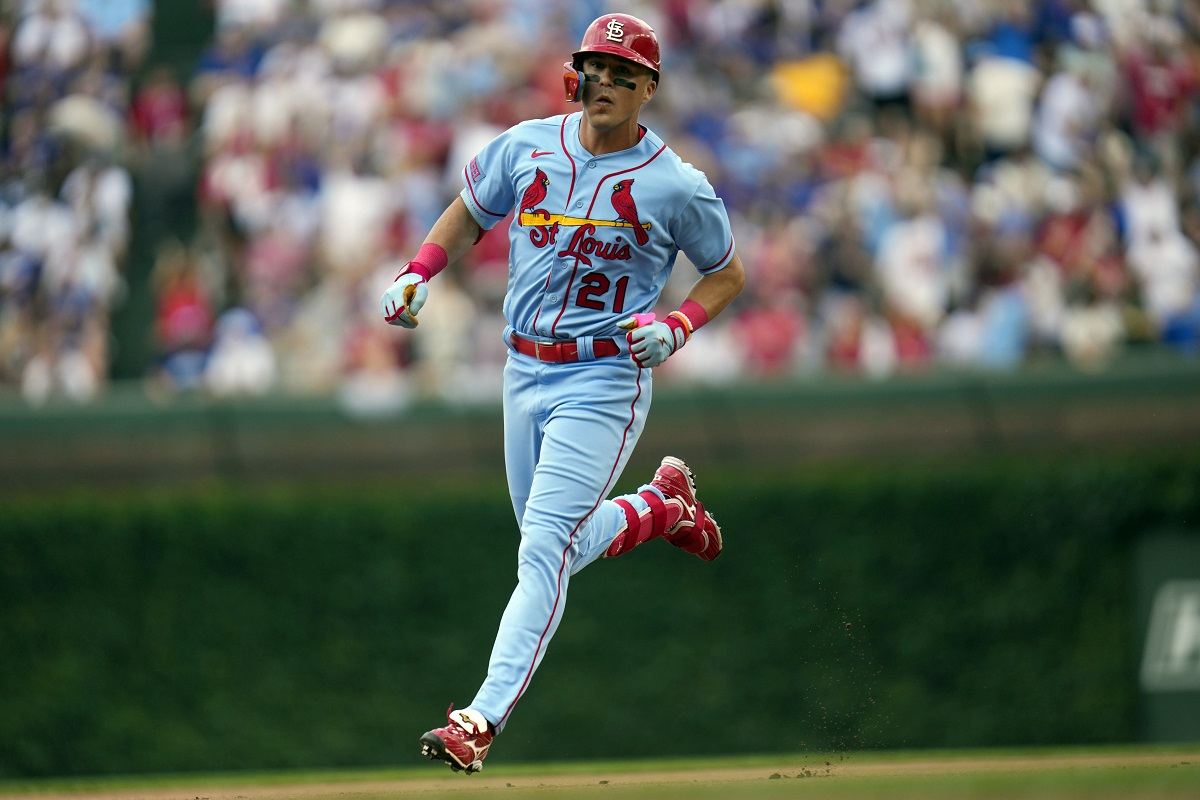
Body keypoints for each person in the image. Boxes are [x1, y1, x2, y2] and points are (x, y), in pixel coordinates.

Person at [381, 13, 746, 773]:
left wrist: (678, 325)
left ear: (649, 88)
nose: (605, 82)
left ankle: (478, 720)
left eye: (623, 73)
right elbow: (468, 214)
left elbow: (728, 272)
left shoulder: (675, 182)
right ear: (576, 73)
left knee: (544, 547)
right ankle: (662, 507)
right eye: (595, 67)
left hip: (604, 377)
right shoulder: (527, 145)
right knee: (552, 547)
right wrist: (419, 269)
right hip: (523, 367)